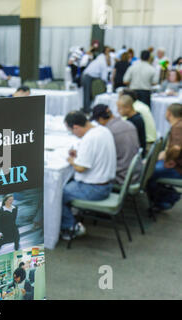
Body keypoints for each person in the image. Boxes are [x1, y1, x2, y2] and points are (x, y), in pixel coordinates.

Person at [60, 111, 116, 240]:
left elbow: (80, 168)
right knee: (66, 185)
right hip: (106, 184)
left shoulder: (89, 139)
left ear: (76, 127)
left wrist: (71, 161)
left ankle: (70, 226)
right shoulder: (102, 130)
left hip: (95, 189)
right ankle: (70, 219)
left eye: (71, 131)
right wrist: (80, 154)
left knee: (57, 194)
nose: (73, 134)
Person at [90, 104, 142, 184]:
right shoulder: (129, 124)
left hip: (122, 176)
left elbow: (100, 158)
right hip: (136, 171)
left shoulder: (108, 133)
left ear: (100, 119)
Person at [147, 103, 182, 211]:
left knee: (148, 173)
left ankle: (165, 200)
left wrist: (167, 158)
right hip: (177, 164)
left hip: (178, 168)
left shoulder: (178, 128)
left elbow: (176, 148)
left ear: (169, 114)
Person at [81, 46, 111, 113]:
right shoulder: (102, 62)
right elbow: (104, 77)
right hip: (87, 76)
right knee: (87, 94)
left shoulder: (100, 59)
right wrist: (107, 84)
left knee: (90, 93)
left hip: (89, 76)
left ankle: (88, 108)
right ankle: (86, 110)